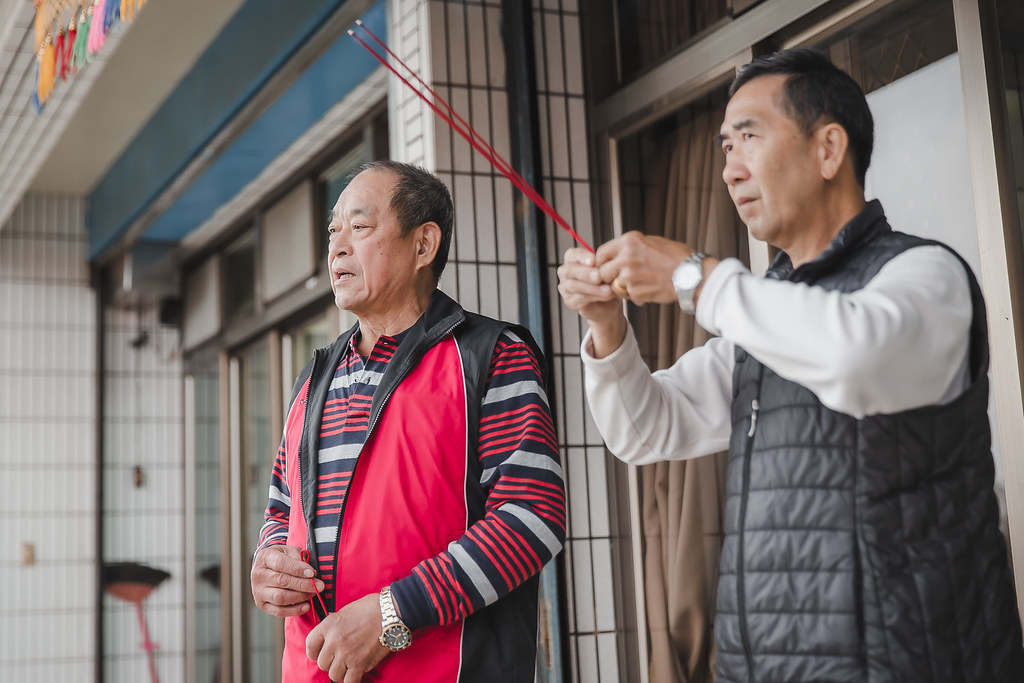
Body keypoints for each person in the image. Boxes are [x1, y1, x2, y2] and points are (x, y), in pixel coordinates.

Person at [558, 48, 1024, 682]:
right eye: (723, 147)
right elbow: (646, 429)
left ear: (829, 150)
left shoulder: (924, 274)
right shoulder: (764, 318)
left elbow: (855, 357)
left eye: (748, 137)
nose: (729, 169)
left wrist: (695, 279)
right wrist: (607, 328)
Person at [252, 160, 566, 683]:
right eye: (333, 230)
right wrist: (268, 565)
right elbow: (281, 511)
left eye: (360, 225)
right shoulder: (311, 379)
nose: (337, 246)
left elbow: (532, 517)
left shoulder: (491, 355)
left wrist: (391, 617)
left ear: (424, 245)